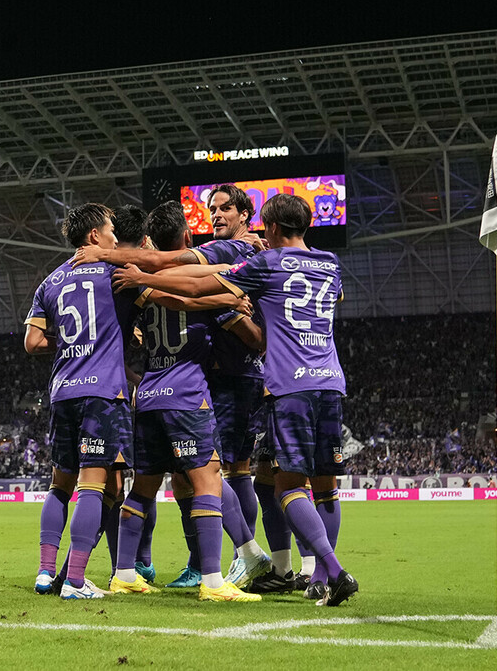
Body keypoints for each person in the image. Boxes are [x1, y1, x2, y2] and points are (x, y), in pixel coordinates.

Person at [113, 193, 358, 606]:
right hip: (329, 381)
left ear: (269, 227)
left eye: (226, 209)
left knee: (274, 483)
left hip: (271, 383)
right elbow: (333, 300)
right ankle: (308, 571)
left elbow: (193, 283)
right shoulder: (330, 264)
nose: (217, 215)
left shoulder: (261, 261)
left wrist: (144, 279)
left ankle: (314, 568)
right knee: (318, 484)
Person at [109, 200, 261, 601]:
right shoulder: (196, 280)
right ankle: (213, 580)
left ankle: (123, 572)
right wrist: (231, 299)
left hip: (149, 394)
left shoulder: (144, 286)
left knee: (141, 489)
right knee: (209, 478)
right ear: (188, 238)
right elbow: (201, 299)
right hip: (187, 392)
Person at [25, 203, 140, 600]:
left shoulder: (50, 282)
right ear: (94, 236)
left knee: (59, 485)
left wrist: (72, 342)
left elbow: (33, 342)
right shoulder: (116, 272)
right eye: (110, 231)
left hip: (62, 391)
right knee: (93, 485)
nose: (114, 238)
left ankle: (44, 573)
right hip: (101, 392)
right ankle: (74, 580)